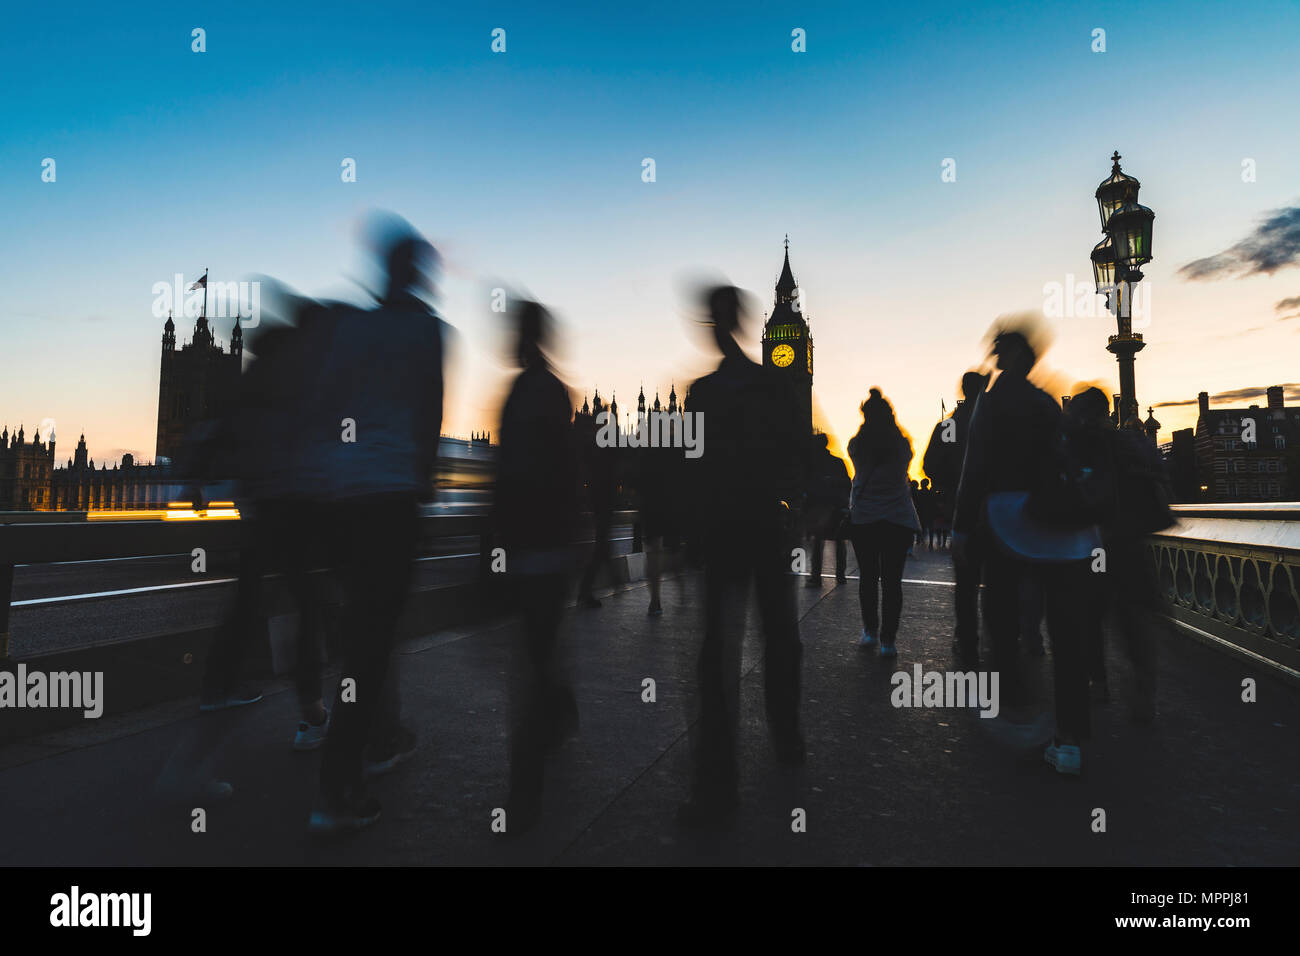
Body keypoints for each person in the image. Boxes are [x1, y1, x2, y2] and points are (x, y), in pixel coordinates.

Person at [308, 228, 446, 834]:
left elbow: (324, 406)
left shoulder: (353, 329)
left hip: (343, 500)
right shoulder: (425, 330)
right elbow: (429, 414)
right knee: (371, 645)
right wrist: (422, 489)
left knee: (360, 638)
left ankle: (366, 745)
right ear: (414, 273)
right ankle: (343, 784)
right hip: (391, 498)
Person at [678, 284, 804, 827]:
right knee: (779, 638)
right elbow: (799, 452)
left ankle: (717, 786)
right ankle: (787, 734)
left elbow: (690, 466)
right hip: (766, 528)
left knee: (718, 657)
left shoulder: (703, 392)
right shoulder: (774, 385)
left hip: (725, 532)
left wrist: (690, 530)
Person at [494, 300, 581, 835]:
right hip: (542, 544)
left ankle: (524, 794)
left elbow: (525, 472)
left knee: (532, 657)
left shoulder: (533, 393)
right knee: (538, 652)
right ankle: (556, 707)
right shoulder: (543, 390)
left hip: (537, 543)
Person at [846, 388, 921, 657]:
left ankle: (870, 631)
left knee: (868, 577)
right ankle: (888, 640)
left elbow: (858, 466)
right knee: (892, 582)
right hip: (897, 517)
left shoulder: (857, 444)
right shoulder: (902, 444)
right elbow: (906, 462)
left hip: (865, 517)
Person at [923, 370, 986, 666]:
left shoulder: (950, 425)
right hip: (1003, 512)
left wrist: (949, 485)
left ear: (963, 389)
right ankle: (1009, 639)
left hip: (963, 509)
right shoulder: (1000, 419)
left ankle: (967, 639)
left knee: (966, 581)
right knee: (1001, 579)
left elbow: (929, 465)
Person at [803, 434, 850, 587]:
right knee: (837, 542)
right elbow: (847, 483)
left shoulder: (813, 465)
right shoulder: (836, 462)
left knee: (818, 543)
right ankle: (840, 575)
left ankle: (816, 577)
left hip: (822, 507)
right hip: (833, 506)